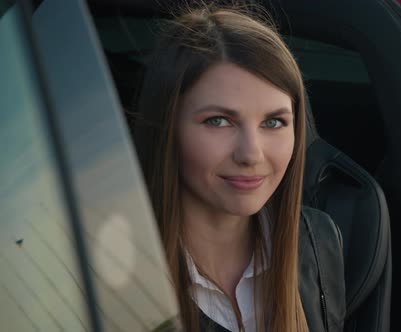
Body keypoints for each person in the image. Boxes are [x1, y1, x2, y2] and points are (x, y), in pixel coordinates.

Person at [131, 4, 345, 332]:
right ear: (167, 127)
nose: (251, 154)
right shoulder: (118, 272)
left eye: (274, 122)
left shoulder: (318, 243)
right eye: (219, 121)